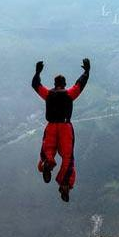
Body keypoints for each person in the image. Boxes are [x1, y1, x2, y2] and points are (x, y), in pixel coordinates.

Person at [32, 58, 90, 202]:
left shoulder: (48, 95)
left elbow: (35, 84)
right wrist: (86, 72)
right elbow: (79, 85)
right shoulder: (69, 94)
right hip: (65, 127)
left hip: (51, 126)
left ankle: (47, 163)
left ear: (54, 84)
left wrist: (38, 72)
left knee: (47, 150)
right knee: (67, 159)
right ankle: (65, 183)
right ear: (64, 85)